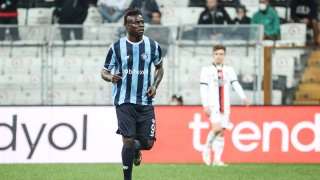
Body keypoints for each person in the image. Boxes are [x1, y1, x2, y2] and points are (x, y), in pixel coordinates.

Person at [101, 9, 164, 180]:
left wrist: (155, 85)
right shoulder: (116, 47)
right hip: (124, 100)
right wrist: (111, 77)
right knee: (127, 140)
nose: (140, 25)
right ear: (127, 26)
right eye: (136, 23)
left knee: (148, 144)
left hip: (146, 101)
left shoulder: (153, 46)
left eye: (142, 21)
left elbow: (159, 68)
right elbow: (104, 71)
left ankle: (137, 149)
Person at [200, 44, 249, 166]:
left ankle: (217, 159)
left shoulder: (229, 70)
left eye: (221, 54)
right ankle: (206, 150)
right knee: (216, 129)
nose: (219, 56)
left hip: (225, 106)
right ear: (213, 55)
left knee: (221, 132)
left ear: (224, 55)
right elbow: (203, 89)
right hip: (213, 106)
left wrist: (243, 96)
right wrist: (205, 105)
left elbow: (235, 84)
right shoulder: (206, 70)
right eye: (216, 54)